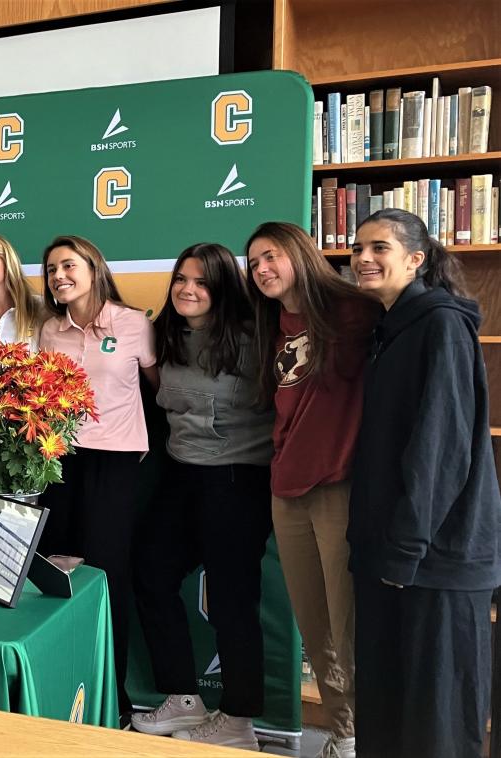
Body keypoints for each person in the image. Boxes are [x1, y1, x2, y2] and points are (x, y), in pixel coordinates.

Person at [347, 209, 501, 758]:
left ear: (415, 259)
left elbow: (443, 447)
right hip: (391, 557)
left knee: (435, 721)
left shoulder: (440, 325)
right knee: (387, 709)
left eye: (380, 248)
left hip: (434, 561)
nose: (364, 258)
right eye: (359, 247)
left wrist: (405, 552)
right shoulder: (387, 330)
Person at [131, 243, 274, 750]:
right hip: (181, 473)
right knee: (151, 571)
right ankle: (183, 698)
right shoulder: (168, 334)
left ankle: (239, 720)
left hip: (237, 479)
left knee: (234, 600)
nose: (188, 290)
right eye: (181, 280)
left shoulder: (252, 337)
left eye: (202, 282)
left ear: (222, 288)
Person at [245, 221, 380, 758]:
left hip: (339, 486)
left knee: (347, 623)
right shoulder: (275, 321)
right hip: (287, 488)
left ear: (300, 253)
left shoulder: (353, 308)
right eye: (254, 262)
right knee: (314, 623)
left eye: (271, 256)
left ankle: (367, 734)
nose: (262, 270)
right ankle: (343, 735)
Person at [36, 234, 157, 722]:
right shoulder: (49, 330)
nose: (59, 277)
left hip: (117, 462)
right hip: (60, 460)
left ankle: (116, 702)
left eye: (68, 266)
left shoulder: (132, 324)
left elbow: (158, 389)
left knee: (107, 578)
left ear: (93, 267)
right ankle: (65, 688)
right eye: (50, 270)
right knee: (59, 573)